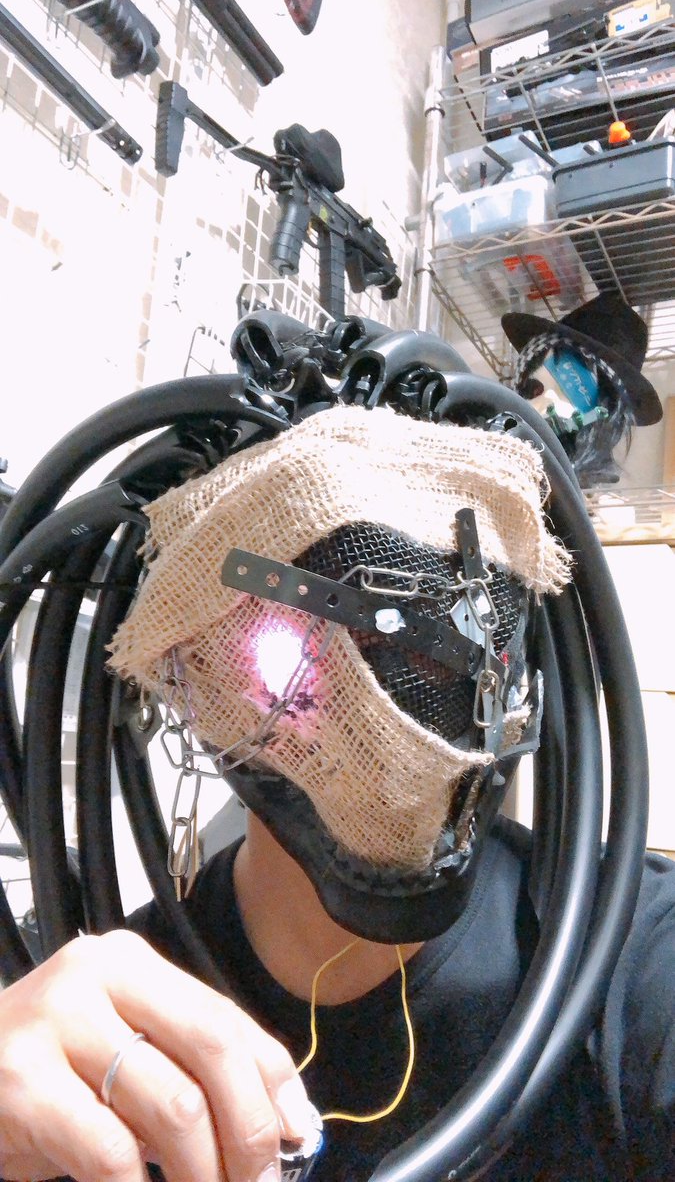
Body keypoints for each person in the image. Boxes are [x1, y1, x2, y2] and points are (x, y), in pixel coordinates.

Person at [0, 403, 673, 1182]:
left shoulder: (631, 955)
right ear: (200, 668)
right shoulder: (107, 1039)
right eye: (302, 657)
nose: (381, 722)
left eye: (428, 662)